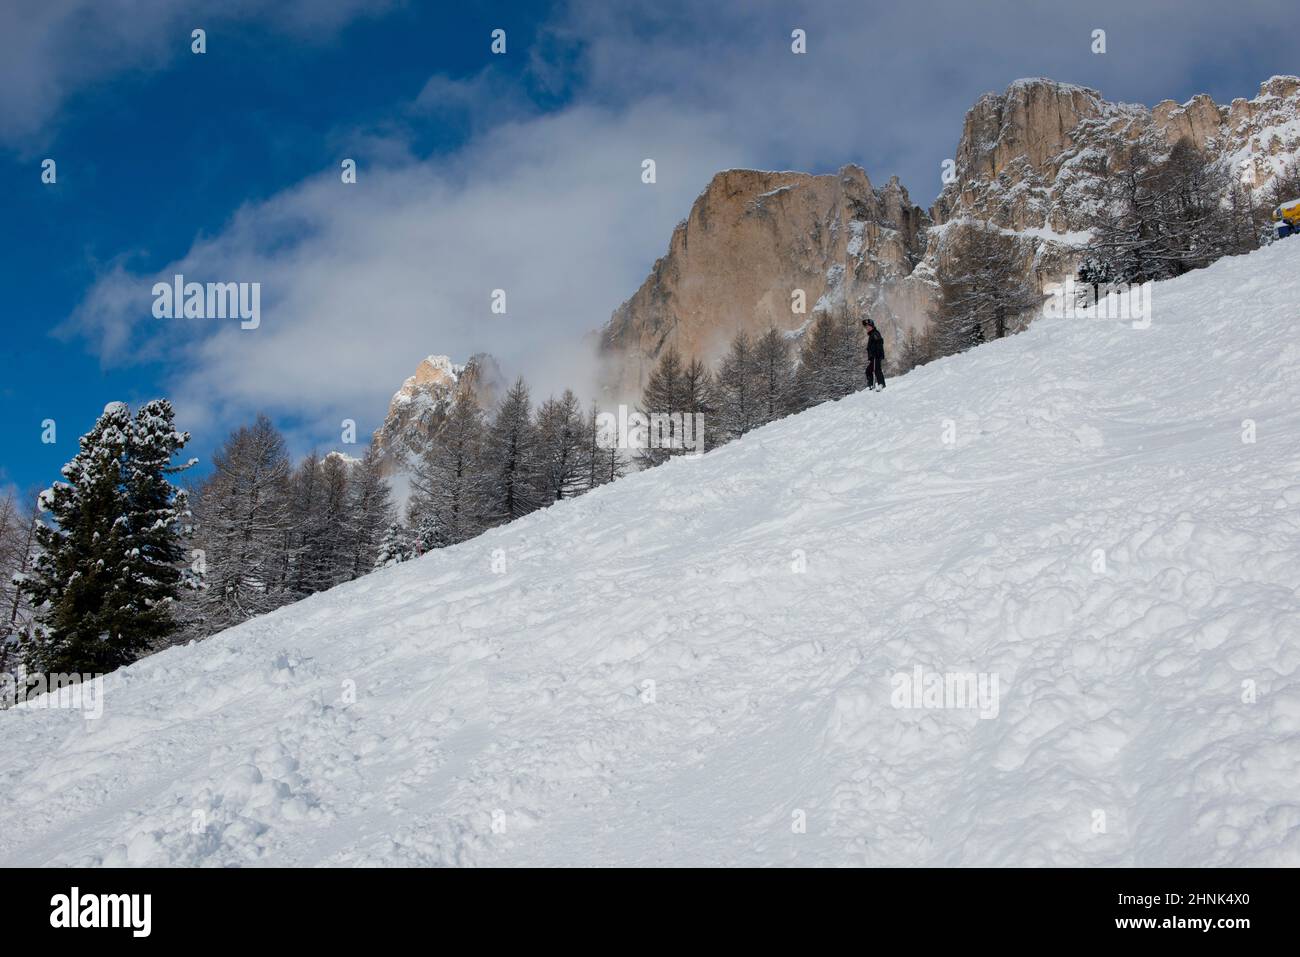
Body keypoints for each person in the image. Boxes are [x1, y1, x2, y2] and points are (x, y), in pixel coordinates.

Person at [862, 318, 886, 391]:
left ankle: (881, 384)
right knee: (868, 370)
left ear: (872, 326)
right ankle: (871, 386)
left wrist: (877, 352)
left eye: (868, 326)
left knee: (877, 370)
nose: (867, 328)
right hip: (873, 357)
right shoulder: (872, 334)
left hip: (876, 356)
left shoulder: (875, 333)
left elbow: (879, 342)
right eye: (866, 327)